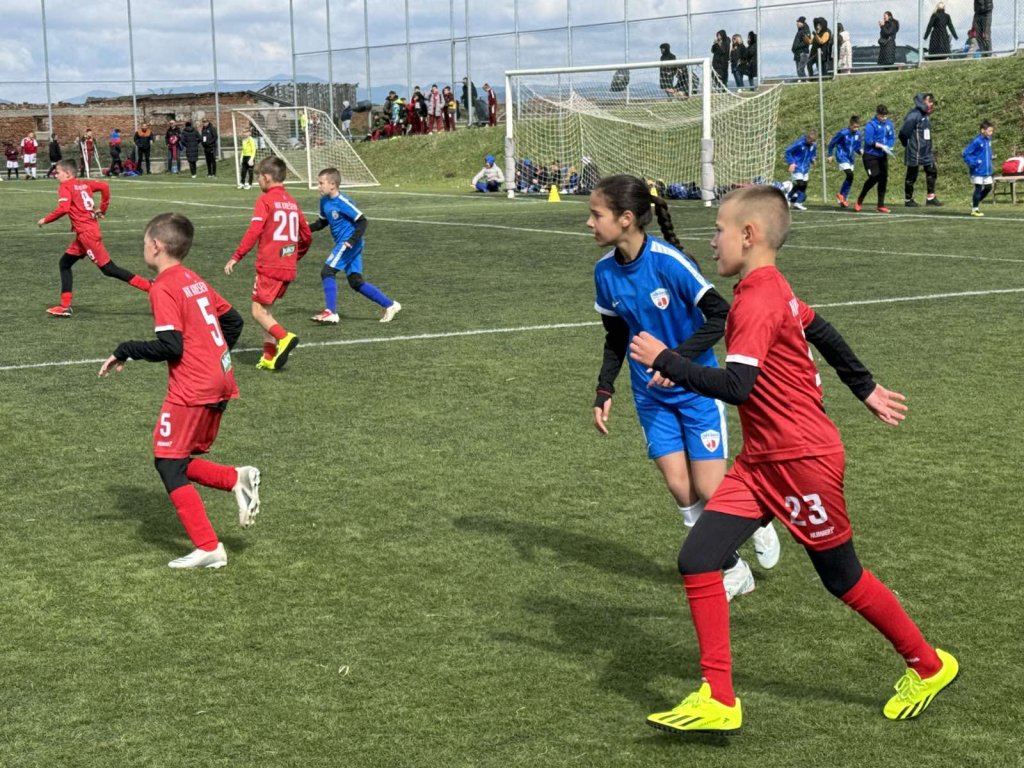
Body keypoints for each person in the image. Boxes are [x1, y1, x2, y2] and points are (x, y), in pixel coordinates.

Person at [632, 184, 959, 733]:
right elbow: (820, 328)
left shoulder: (756, 300)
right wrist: (864, 387)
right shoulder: (768, 288)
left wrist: (668, 360)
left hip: (802, 461)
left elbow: (736, 386)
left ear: (748, 234)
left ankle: (929, 665)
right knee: (698, 558)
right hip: (761, 462)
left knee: (842, 578)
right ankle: (718, 698)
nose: (711, 241)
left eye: (718, 229)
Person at [589, 175, 781, 603]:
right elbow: (616, 337)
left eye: (596, 214)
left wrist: (673, 360)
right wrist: (605, 390)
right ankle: (734, 569)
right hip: (650, 395)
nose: (589, 222)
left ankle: (758, 517)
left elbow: (720, 315)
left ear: (625, 219)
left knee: (712, 490)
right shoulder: (604, 273)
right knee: (681, 489)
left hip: (696, 390)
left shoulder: (668, 262)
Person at [98, 213, 261, 570]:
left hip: (193, 387)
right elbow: (233, 321)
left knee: (168, 462)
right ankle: (236, 479)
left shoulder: (164, 286)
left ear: (156, 246)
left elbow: (170, 346)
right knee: (177, 458)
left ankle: (209, 547)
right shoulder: (193, 279)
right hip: (221, 379)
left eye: (145, 242)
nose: (144, 247)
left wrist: (126, 348)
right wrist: (212, 357)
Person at [224, 155, 312, 370]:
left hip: (270, 265)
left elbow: (254, 231)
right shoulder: (292, 202)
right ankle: (268, 356)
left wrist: (237, 256)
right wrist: (294, 256)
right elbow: (307, 235)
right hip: (287, 266)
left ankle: (285, 337)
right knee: (266, 311)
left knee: (257, 311)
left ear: (267, 177)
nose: (258, 182)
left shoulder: (265, 200)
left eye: (258, 178)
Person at [36, 158, 152, 317]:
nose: (56, 175)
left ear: (68, 174)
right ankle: (65, 306)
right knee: (64, 263)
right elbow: (105, 186)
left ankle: (149, 287)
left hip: (87, 235)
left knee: (109, 269)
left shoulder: (65, 186)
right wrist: (102, 209)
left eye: (58, 172)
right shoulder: (84, 184)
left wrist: (45, 220)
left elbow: (63, 208)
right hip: (84, 234)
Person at [307, 167, 401, 326]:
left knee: (327, 271)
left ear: (333, 184)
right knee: (355, 281)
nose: (318, 186)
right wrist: (304, 230)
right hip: (347, 243)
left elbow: (362, 221)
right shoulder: (324, 201)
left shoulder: (343, 202)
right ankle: (390, 305)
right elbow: (322, 222)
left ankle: (331, 312)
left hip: (349, 243)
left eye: (321, 183)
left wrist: (351, 240)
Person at [899, 93, 942, 207]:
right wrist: (906, 145)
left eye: (932, 102)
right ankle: (908, 199)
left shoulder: (925, 115)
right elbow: (903, 133)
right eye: (929, 101)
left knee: (932, 171)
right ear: (923, 101)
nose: (931, 104)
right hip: (915, 151)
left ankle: (930, 198)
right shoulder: (914, 115)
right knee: (912, 175)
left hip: (926, 151)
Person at [855, 104, 895, 213]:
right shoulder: (871, 125)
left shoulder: (889, 124)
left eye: (885, 116)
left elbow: (891, 137)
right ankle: (860, 199)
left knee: (883, 178)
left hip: (882, 156)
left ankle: (880, 205)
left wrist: (889, 146)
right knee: (874, 177)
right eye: (882, 116)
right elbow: (869, 141)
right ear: (877, 114)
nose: (884, 118)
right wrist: (882, 146)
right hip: (870, 156)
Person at [827, 115, 862, 207]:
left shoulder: (858, 134)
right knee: (850, 174)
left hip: (851, 158)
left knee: (850, 178)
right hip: (842, 156)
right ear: (850, 125)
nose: (856, 129)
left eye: (857, 127)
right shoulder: (843, 133)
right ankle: (842, 196)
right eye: (854, 127)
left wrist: (861, 152)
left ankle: (842, 198)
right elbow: (832, 143)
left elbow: (857, 147)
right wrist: (830, 154)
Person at [963, 119, 994, 217]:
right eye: (989, 131)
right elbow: (966, 153)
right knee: (978, 188)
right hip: (977, 169)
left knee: (988, 187)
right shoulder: (977, 141)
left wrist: (991, 157)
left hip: (986, 169)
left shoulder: (988, 140)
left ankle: (975, 202)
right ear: (982, 130)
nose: (991, 133)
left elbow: (985, 153)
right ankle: (975, 209)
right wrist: (974, 162)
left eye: (992, 131)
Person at [784, 131, 817, 210]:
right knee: (800, 184)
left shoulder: (813, 145)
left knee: (804, 185)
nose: (812, 142)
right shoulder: (799, 144)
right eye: (811, 141)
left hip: (805, 168)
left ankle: (797, 203)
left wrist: (813, 159)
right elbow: (788, 151)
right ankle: (788, 197)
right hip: (797, 167)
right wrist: (791, 163)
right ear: (807, 138)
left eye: (814, 141)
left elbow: (812, 154)